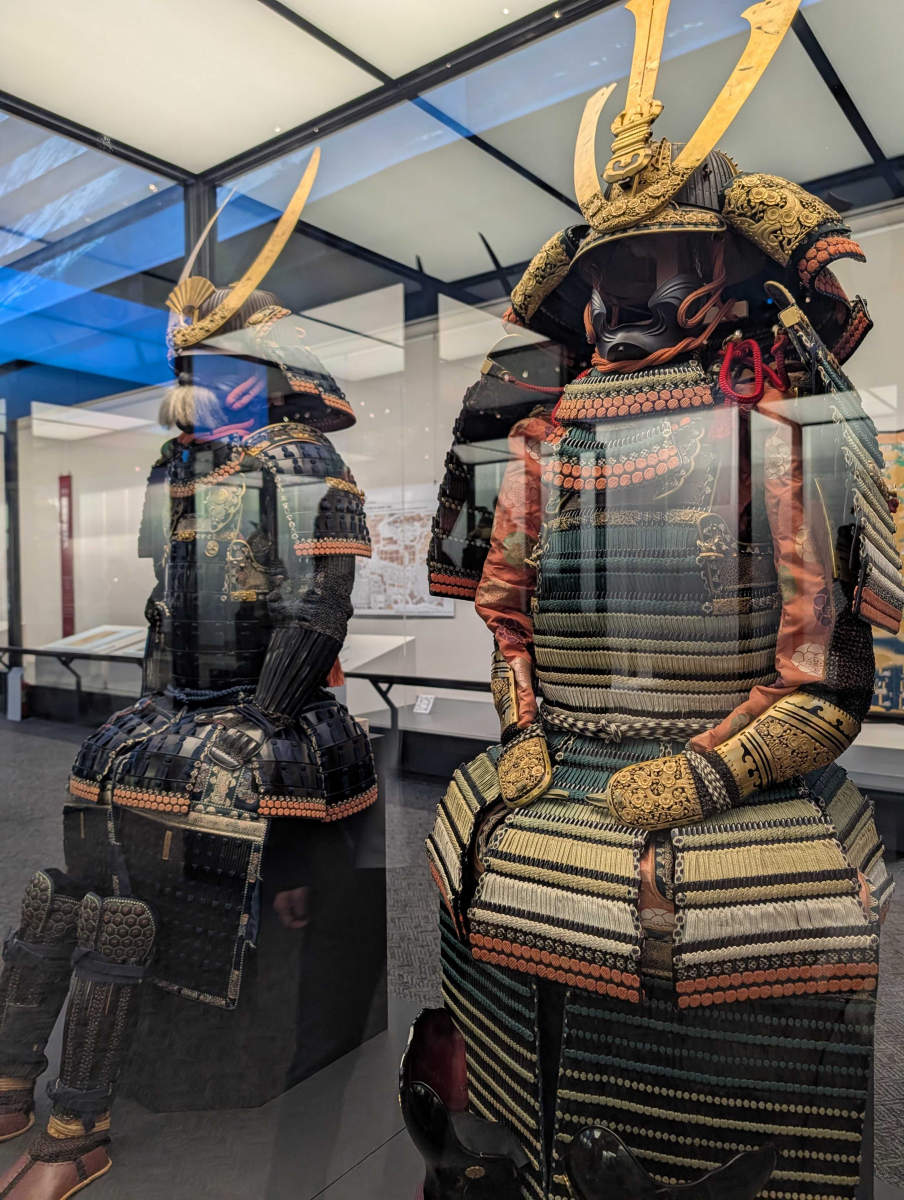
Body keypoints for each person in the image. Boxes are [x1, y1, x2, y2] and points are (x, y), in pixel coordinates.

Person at [406, 4, 897, 1197]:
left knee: (712, 963)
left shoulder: (778, 426)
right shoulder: (539, 435)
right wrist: (523, 730)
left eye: (657, 262)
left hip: (729, 777)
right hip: (551, 761)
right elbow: (506, 616)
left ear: (720, 271)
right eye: (610, 268)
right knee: (482, 886)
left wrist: (712, 773)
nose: (629, 287)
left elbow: (829, 672)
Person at [0, 151, 380, 1198]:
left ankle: (86, 1114)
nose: (194, 387)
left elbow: (319, 606)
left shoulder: (304, 461)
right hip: (182, 698)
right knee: (75, 843)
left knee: (202, 812)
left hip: (276, 708)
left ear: (259, 374)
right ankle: (15, 1075)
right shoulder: (178, 467)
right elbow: (168, 605)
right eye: (189, 369)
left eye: (212, 370)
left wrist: (262, 715)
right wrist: (156, 703)